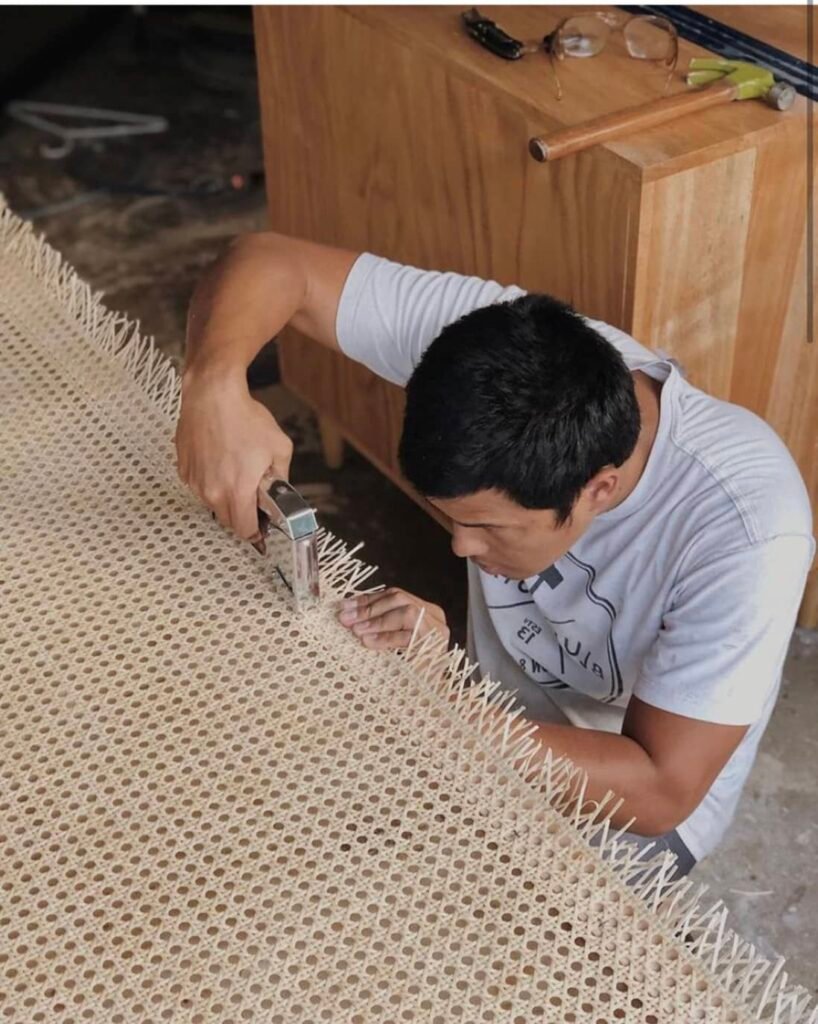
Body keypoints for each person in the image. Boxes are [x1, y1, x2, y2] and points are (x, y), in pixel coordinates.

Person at [175, 232, 814, 875]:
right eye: (452, 520)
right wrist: (216, 386)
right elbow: (270, 260)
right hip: (487, 708)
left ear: (599, 489)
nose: (459, 546)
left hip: (621, 812)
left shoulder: (747, 530)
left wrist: (442, 700)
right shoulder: (499, 356)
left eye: (488, 528)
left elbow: (658, 791)